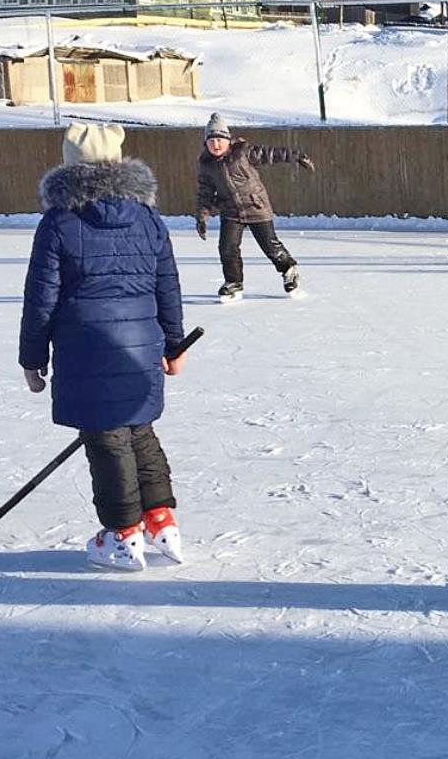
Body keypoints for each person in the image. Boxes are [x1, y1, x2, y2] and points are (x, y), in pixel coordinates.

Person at [19, 122, 191, 572]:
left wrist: (32, 358)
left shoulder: (59, 221)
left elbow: (41, 296)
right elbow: (167, 286)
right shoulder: (147, 217)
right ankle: (160, 519)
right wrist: (174, 343)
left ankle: (122, 535)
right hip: (141, 346)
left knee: (108, 439)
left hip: (87, 349)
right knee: (139, 429)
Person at [195, 112, 315, 301]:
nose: (216, 145)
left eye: (220, 140)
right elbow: (205, 192)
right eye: (211, 141)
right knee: (227, 247)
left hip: (255, 206)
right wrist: (202, 216)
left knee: (270, 245)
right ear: (206, 144)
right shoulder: (206, 164)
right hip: (231, 211)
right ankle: (233, 283)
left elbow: (270, 154)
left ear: (228, 140)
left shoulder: (241, 152)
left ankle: (289, 270)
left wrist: (296, 156)